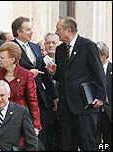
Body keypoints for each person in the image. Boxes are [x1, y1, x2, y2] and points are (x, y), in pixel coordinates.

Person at [46, 16, 107, 151]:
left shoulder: (87, 45)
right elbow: (64, 77)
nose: (56, 32)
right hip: (66, 106)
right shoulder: (61, 49)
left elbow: (98, 72)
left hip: (85, 104)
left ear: (68, 30)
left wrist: (101, 96)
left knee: (87, 143)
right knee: (67, 144)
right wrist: (54, 73)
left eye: (58, 29)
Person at [12, 16, 59, 148]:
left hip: (39, 97)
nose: (32, 32)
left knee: (40, 134)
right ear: (19, 32)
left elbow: (43, 74)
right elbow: (7, 70)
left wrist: (54, 96)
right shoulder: (10, 47)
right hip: (20, 97)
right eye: (28, 29)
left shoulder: (35, 47)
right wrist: (27, 74)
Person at [0, 42, 41, 135]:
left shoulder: (26, 75)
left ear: (12, 60)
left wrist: (36, 126)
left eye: (2, 58)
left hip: (19, 118)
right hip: (0, 118)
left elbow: (33, 101)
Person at [43, 32, 62, 151]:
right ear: (44, 45)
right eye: (48, 43)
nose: (51, 45)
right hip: (47, 107)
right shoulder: (39, 61)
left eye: (54, 42)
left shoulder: (64, 61)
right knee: (47, 140)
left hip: (63, 106)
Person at [96, 41, 112, 151]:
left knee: (108, 143)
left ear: (104, 55)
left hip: (109, 114)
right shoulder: (90, 71)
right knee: (95, 144)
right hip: (94, 113)